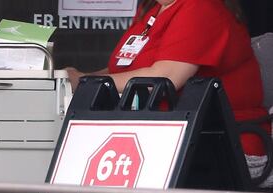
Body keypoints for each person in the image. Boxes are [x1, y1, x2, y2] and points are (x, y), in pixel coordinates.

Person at [65, 0, 271, 182]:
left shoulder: (201, 7)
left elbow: (166, 77)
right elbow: (124, 70)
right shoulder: (152, 10)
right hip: (163, 140)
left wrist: (84, 81)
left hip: (224, 148)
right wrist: (80, 76)